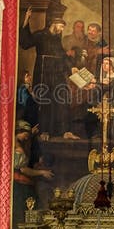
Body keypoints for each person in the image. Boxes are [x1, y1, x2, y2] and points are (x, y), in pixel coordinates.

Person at [19, 8, 77, 138]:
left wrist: (71, 67)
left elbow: (62, 55)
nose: (62, 29)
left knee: (62, 99)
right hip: (44, 73)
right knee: (45, 101)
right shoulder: (40, 35)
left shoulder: (57, 39)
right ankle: (44, 131)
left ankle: (65, 131)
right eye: (61, 26)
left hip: (57, 74)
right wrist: (26, 21)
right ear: (54, 24)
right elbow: (25, 43)